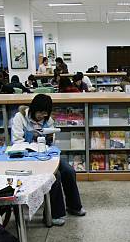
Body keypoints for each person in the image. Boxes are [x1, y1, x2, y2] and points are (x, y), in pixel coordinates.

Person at [11, 94, 85, 226]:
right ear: (33, 109)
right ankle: (53, 214)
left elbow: (52, 143)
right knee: (55, 175)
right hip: (28, 157)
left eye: (45, 113)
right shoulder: (20, 117)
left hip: (46, 154)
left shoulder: (48, 120)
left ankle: (74, 206)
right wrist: (33, 138)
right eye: (40, 112)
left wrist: (50, 139)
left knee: (68, 171)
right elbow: (17, 141)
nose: (42, 116)